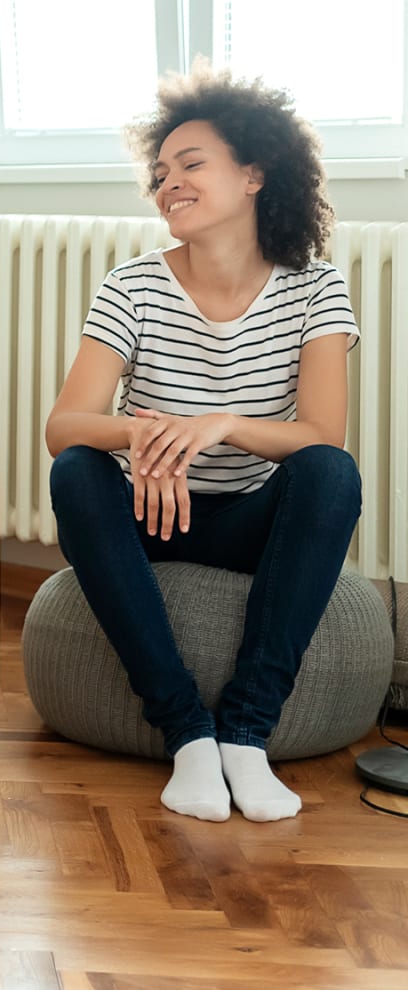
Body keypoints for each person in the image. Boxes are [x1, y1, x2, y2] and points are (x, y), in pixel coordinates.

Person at [43, 64, 360, 824]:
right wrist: (145, 433)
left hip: (250, 520)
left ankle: (246, 733)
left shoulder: (316, 289)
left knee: (331, 474)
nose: (168, 184)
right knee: (79, 472)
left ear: (254, 173)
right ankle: (187, 731)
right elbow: (65, 426)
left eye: (191, 165)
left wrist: (219, 425)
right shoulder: (132, 286)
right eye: (159, 173)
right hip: (154, 513)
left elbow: (321, 435)